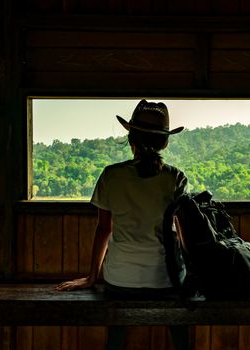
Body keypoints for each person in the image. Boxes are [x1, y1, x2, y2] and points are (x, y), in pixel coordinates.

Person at [56, 99, 191, 350]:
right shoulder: (175, 177)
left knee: (116, 330)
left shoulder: (111, 175)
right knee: (180, 328)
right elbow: (184, 235)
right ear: (164, 142)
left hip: (121, 281)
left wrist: (92, 277)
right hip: (165, 280)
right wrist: (191, 274)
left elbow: (104, 229)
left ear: (131, 138)